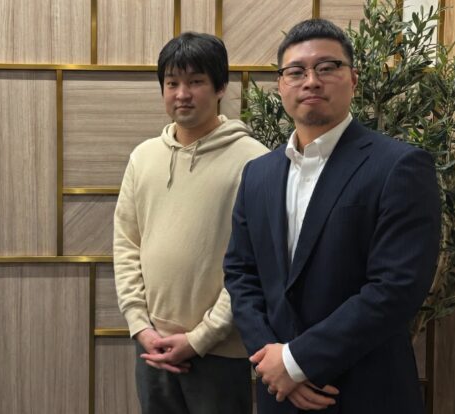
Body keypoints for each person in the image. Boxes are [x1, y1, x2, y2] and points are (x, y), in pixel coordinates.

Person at [224, 19, 440, 413]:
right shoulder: (258, 174)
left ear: (353, 79)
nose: (311, 81)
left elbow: (396, 287)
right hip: (279, 394)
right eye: (296, 71)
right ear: (281, 85)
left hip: (364, 390)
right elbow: (241, 273)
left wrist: (297, 361)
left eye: (327, 67)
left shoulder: (399, 166)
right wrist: (271, 360)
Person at [113, 32, 269, 413]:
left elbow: (256, 264)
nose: (182, 94)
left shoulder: (255, 162)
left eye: (196, 81)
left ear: (220, 87)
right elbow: (126, 244)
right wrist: (140, 325)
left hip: (221, 351)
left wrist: (201, 337)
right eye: (172, 83)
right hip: (152, 346)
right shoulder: (143, 158)